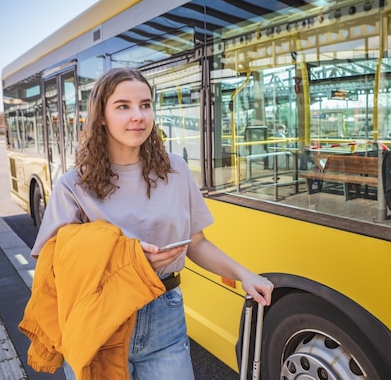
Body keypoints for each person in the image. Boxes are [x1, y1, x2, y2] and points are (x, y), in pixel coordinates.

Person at [30, 67, 274, 379]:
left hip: (164, 312)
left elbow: (196, 243)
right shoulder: (73, 185)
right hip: (98, 318)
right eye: (123, 106)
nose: (138, 116)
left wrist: (244, 274)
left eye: (145, 105)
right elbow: (55, 265)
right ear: (101, 116)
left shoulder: (175, 170)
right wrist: (126, 260)